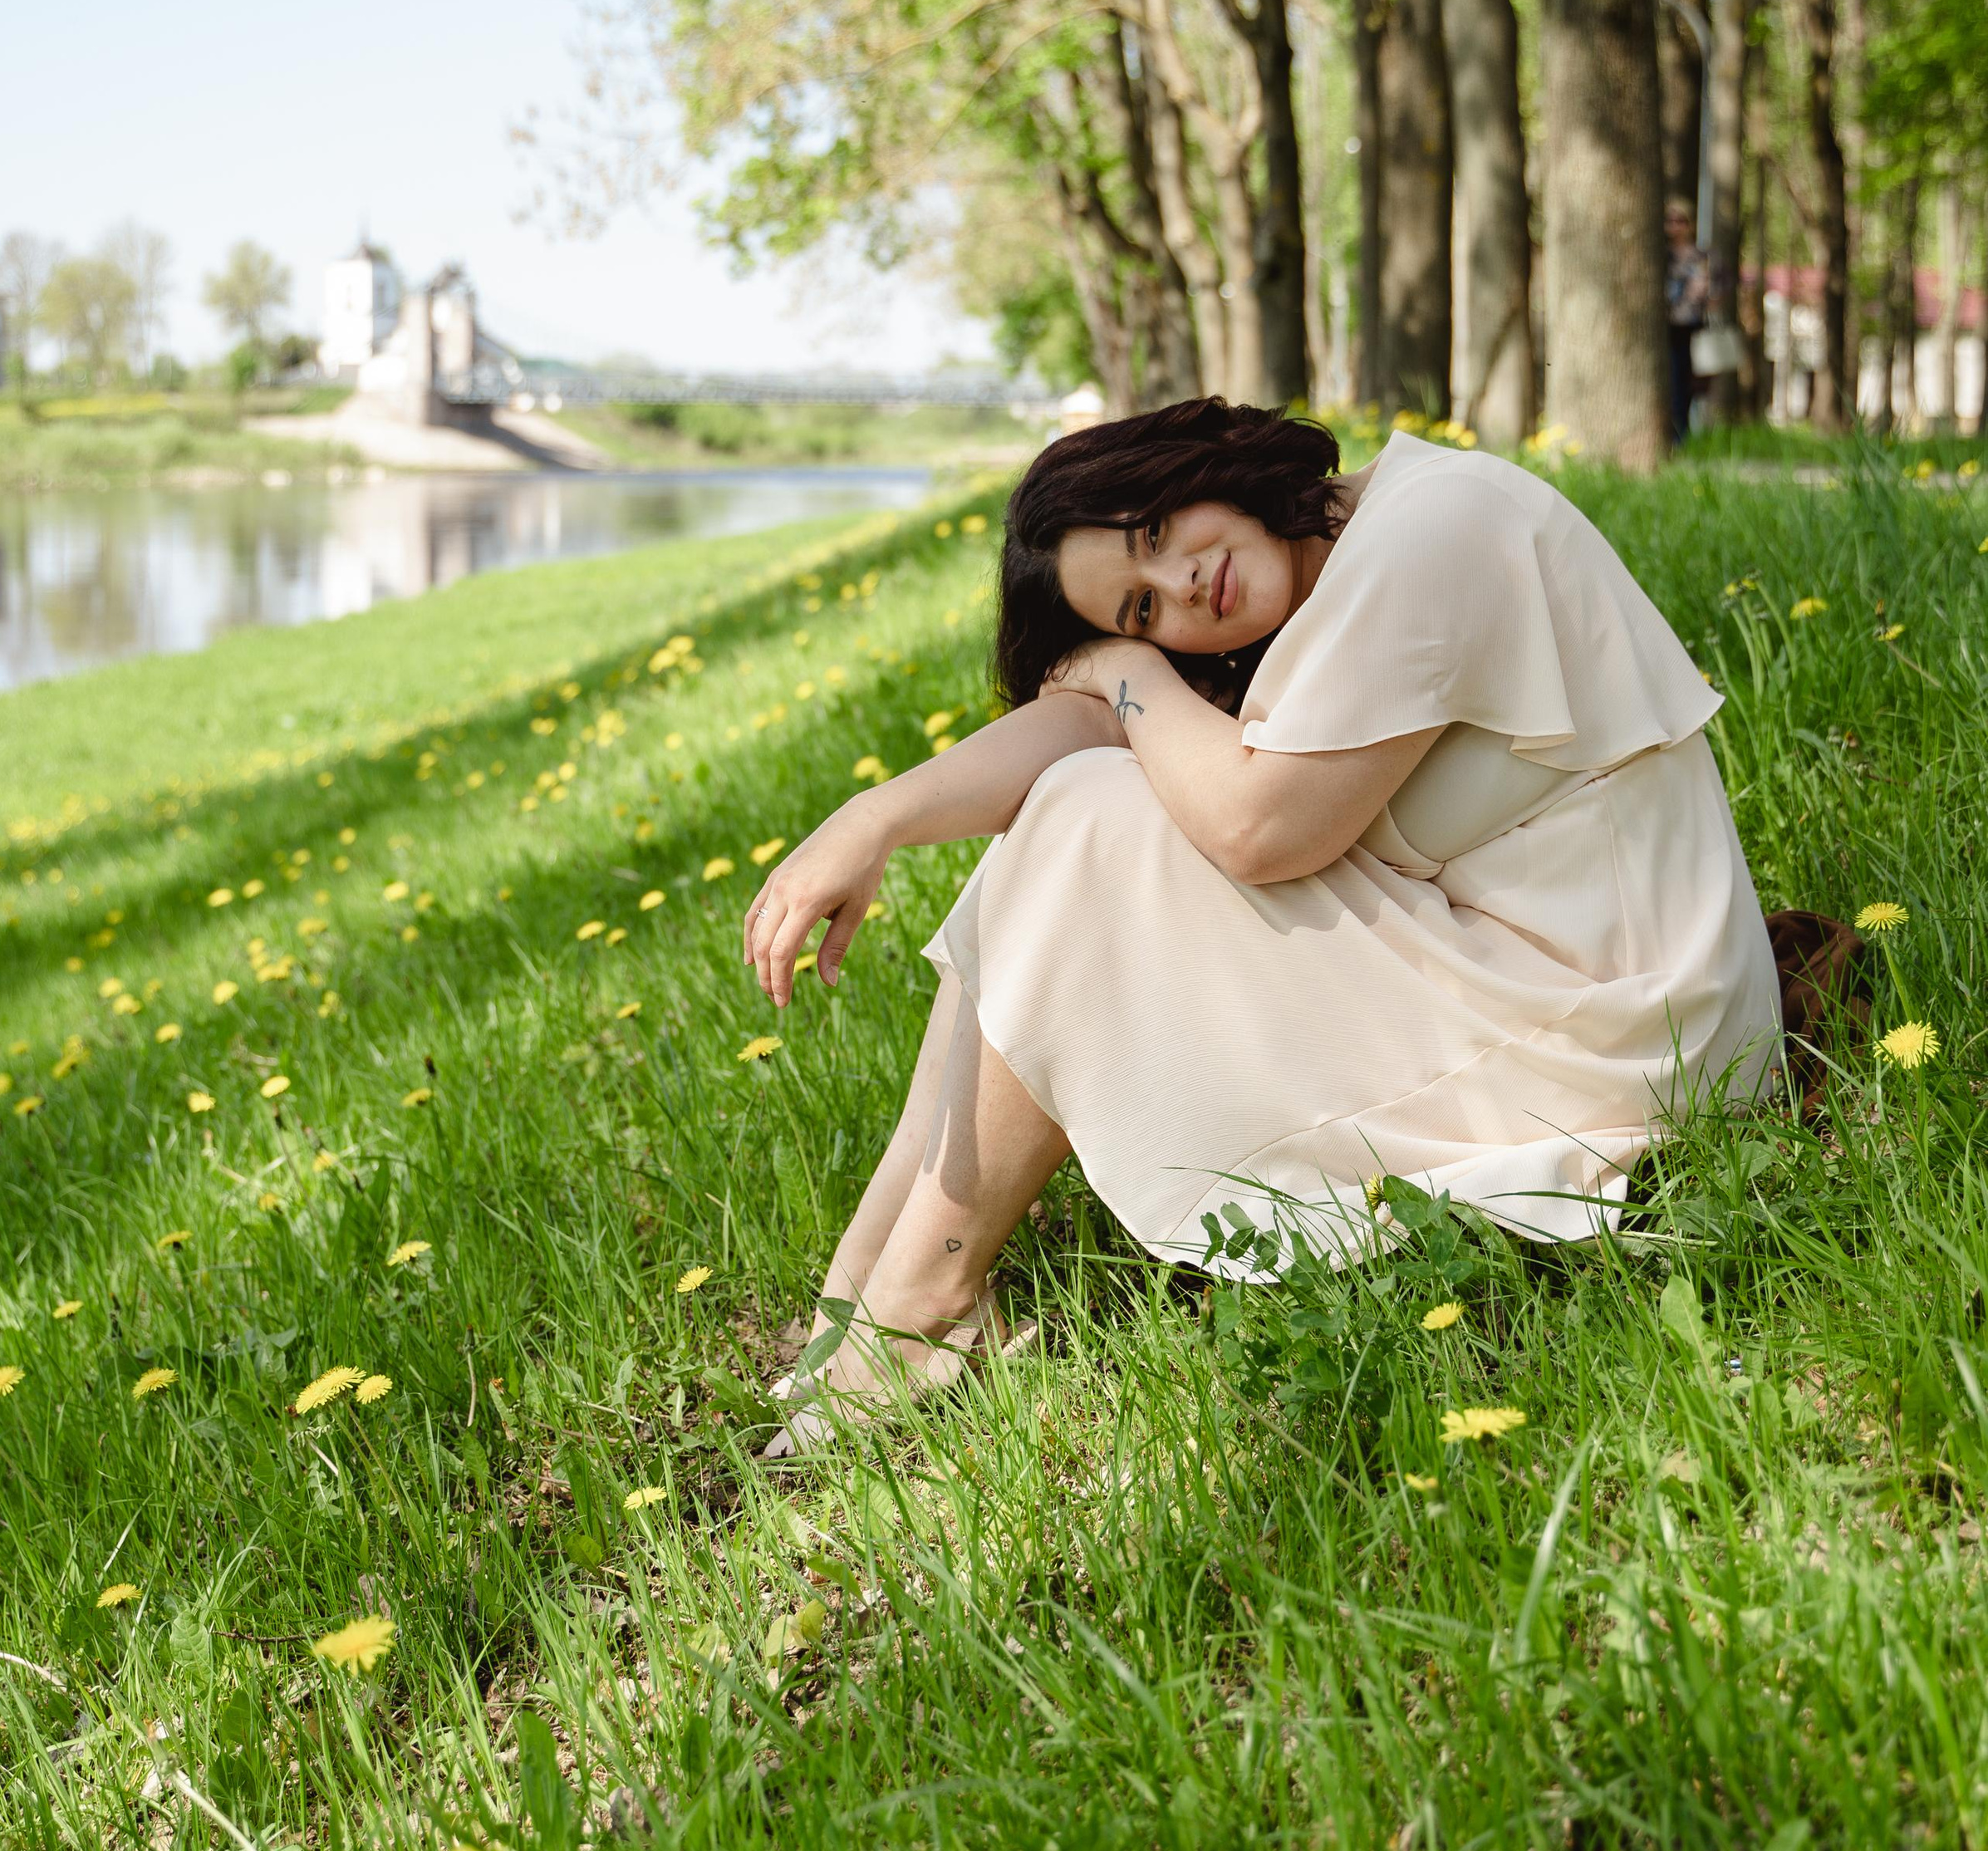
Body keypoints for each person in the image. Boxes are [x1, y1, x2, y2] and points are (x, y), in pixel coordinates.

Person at [745, 398, 1781, 1439]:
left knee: (1085, 827)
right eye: (1142, 609)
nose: (1183, 584)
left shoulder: (1432, 528)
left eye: (1154, 533)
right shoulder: (1324, 572)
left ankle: (922, 1310)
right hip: (1520, 980)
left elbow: (1261, 830)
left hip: (1634, 1044)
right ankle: (863, 1292)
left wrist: (1132, 663)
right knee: (1061, 829)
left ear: (1189, 467)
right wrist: (872, 819)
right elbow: (1074, 727)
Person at [1664, 199, 1711, 444]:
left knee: (1686, 384)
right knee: (1670, 383)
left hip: (1689, 327)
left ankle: (1681, 436)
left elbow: (1706, 290)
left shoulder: (1699, 256)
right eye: (1669, 220)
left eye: (1679, 220)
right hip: (1665, 328)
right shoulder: (1660, 255)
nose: (1674, 226)